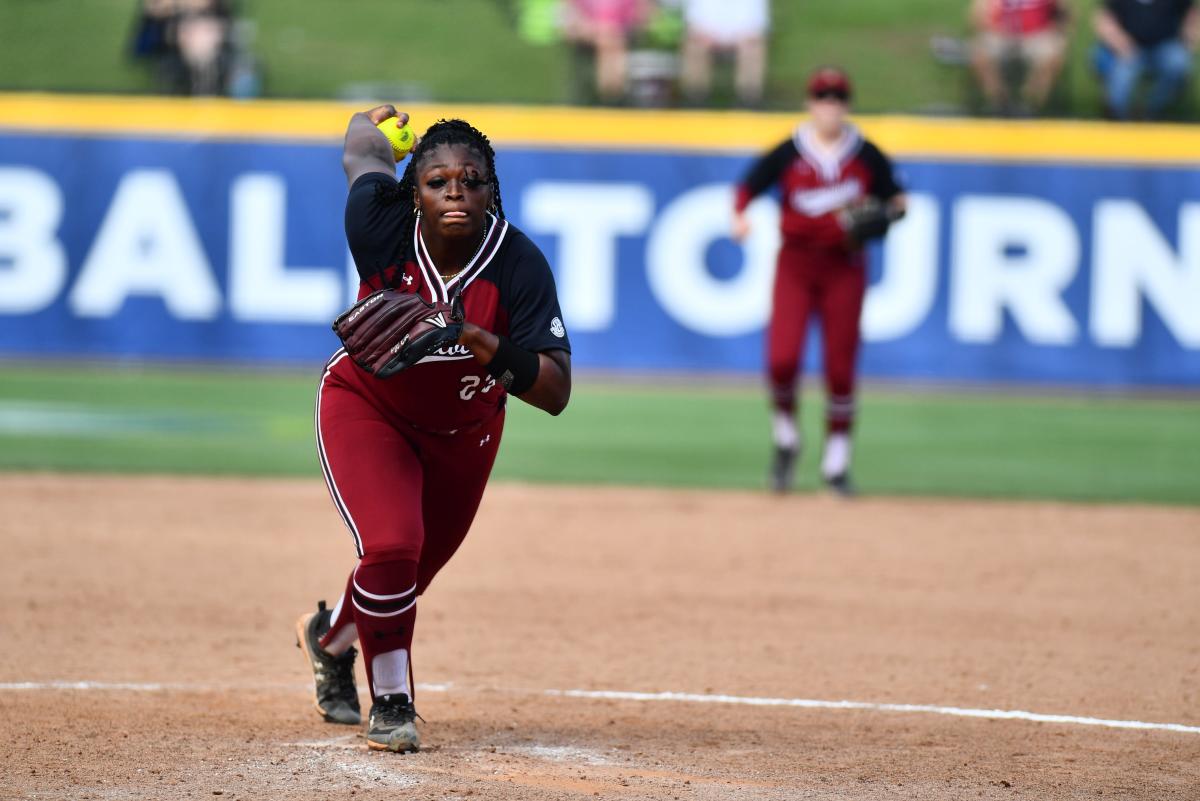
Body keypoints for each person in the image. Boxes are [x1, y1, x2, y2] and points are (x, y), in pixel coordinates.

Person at [295, 107, 572, 752]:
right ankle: (393, 702)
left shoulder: (517, 264)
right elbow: (363, 154)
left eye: (470, 180)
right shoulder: (381, 226)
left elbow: (555, 392)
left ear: (491, 189)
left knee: (405, 574)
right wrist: (366, 120)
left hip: (466, 436)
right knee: (393, 546)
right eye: (436, 180)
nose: (454, 192)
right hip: (370, 406)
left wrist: (477, 340)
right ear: (413, 191)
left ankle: (332, 637)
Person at [732, 67, 905, 496]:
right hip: (795, 264)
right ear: (811, 103)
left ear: (847, 104)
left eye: (838, 97)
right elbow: (747, 187)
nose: (830, 105)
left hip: (844, 266)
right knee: (782, 361)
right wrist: (739, 216)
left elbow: (898, 199)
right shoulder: (791, 149)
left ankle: (836, 463)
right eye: (823, 97)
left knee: (840, 368)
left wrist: (885, 216)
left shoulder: (865, 153)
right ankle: (787, 436)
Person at [1093, 0, 1199, 119]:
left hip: (1165, 48)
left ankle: (1151, 112)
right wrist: (1121, 44)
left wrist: (1189, 42)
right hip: (1129, 49)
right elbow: (1105, 20)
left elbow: (1192, 14)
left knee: (1179, 63)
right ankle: (1118, 120)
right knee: (1120, 79)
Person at [969, 0, 1069, 114]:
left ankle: (1030, 103)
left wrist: (1061, 31)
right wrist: (986, 25)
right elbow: (977, 13)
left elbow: (1065, 12)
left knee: (1054, 52)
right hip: (1001, 34)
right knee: (979, 50)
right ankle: (1000, 102)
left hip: (1037, 35)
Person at [680, 0, 770, 107]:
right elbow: (694, 22)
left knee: (753, 46)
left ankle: (749, 100)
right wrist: (704, 36)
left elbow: (756, 26)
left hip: (742, 42)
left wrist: (740, 39)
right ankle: (694, 98)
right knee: (694, 44)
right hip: (707, 40)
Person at [562, 0, 651, 103]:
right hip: (589, 37)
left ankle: (607, 99)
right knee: (609, 46)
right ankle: (613, 99)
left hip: (621, 36)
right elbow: (571, 18)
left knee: (611, 46)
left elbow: (642, 14)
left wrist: (616, 33)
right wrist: (595, 32)